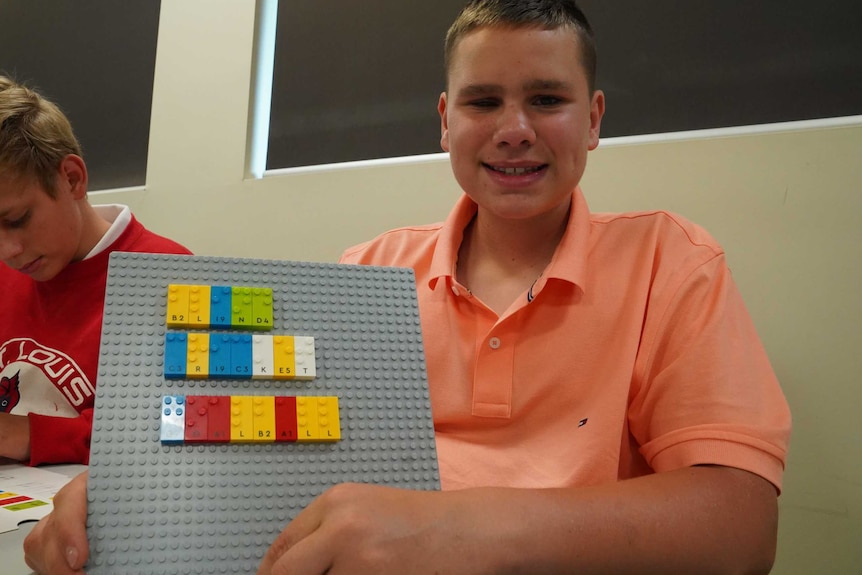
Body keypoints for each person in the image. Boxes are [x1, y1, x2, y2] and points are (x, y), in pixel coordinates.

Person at [23, 1, 791, 573]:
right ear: (444, 121)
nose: (514, 127)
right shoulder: (370, 270)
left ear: (592, 120)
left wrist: (460, 529)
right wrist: (135, 487)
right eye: (483, 101)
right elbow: (275, 447)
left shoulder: (673, 260)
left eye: (547, 99)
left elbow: (740, 524)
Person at [0, 75, 192, 467]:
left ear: (72, 178)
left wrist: (28, 434)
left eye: (18, 219)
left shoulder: (167, 276)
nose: (9, 251)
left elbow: (174, 427)